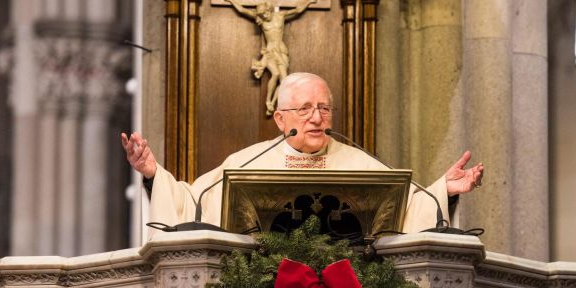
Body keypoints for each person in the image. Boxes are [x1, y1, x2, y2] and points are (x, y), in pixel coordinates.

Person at [122, 72, 484, 236]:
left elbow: (409, 207)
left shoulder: (357, 161)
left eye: (325, 109)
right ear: (281, 119)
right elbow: (192, 203)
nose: (317, 117)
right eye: (306, 109)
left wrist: (444, 190)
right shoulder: (247, 163)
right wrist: (154, 173)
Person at [224, 0, 317, 115]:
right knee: (275, 74)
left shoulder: (280, 16)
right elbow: (243, 10)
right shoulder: (261, 19)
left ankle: (273, 103)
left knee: (284, 81)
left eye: (265, 14)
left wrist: (308, 1)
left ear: (269, 10)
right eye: (261, 15)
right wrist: (231, 0)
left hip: (281, 52)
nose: (263, 16)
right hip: (269, 53)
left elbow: (297, 10)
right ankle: (268, 101)